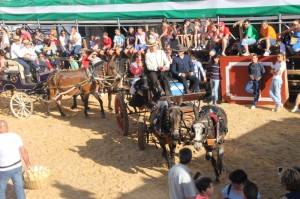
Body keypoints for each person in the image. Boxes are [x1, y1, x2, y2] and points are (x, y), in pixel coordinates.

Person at [0, 120, 32, 199]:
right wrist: (28, 164)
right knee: (19, 188)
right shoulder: (15, 136)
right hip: (17, 167)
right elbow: (23, 152)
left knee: (1, 190)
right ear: (7, 127)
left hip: (3, 170)